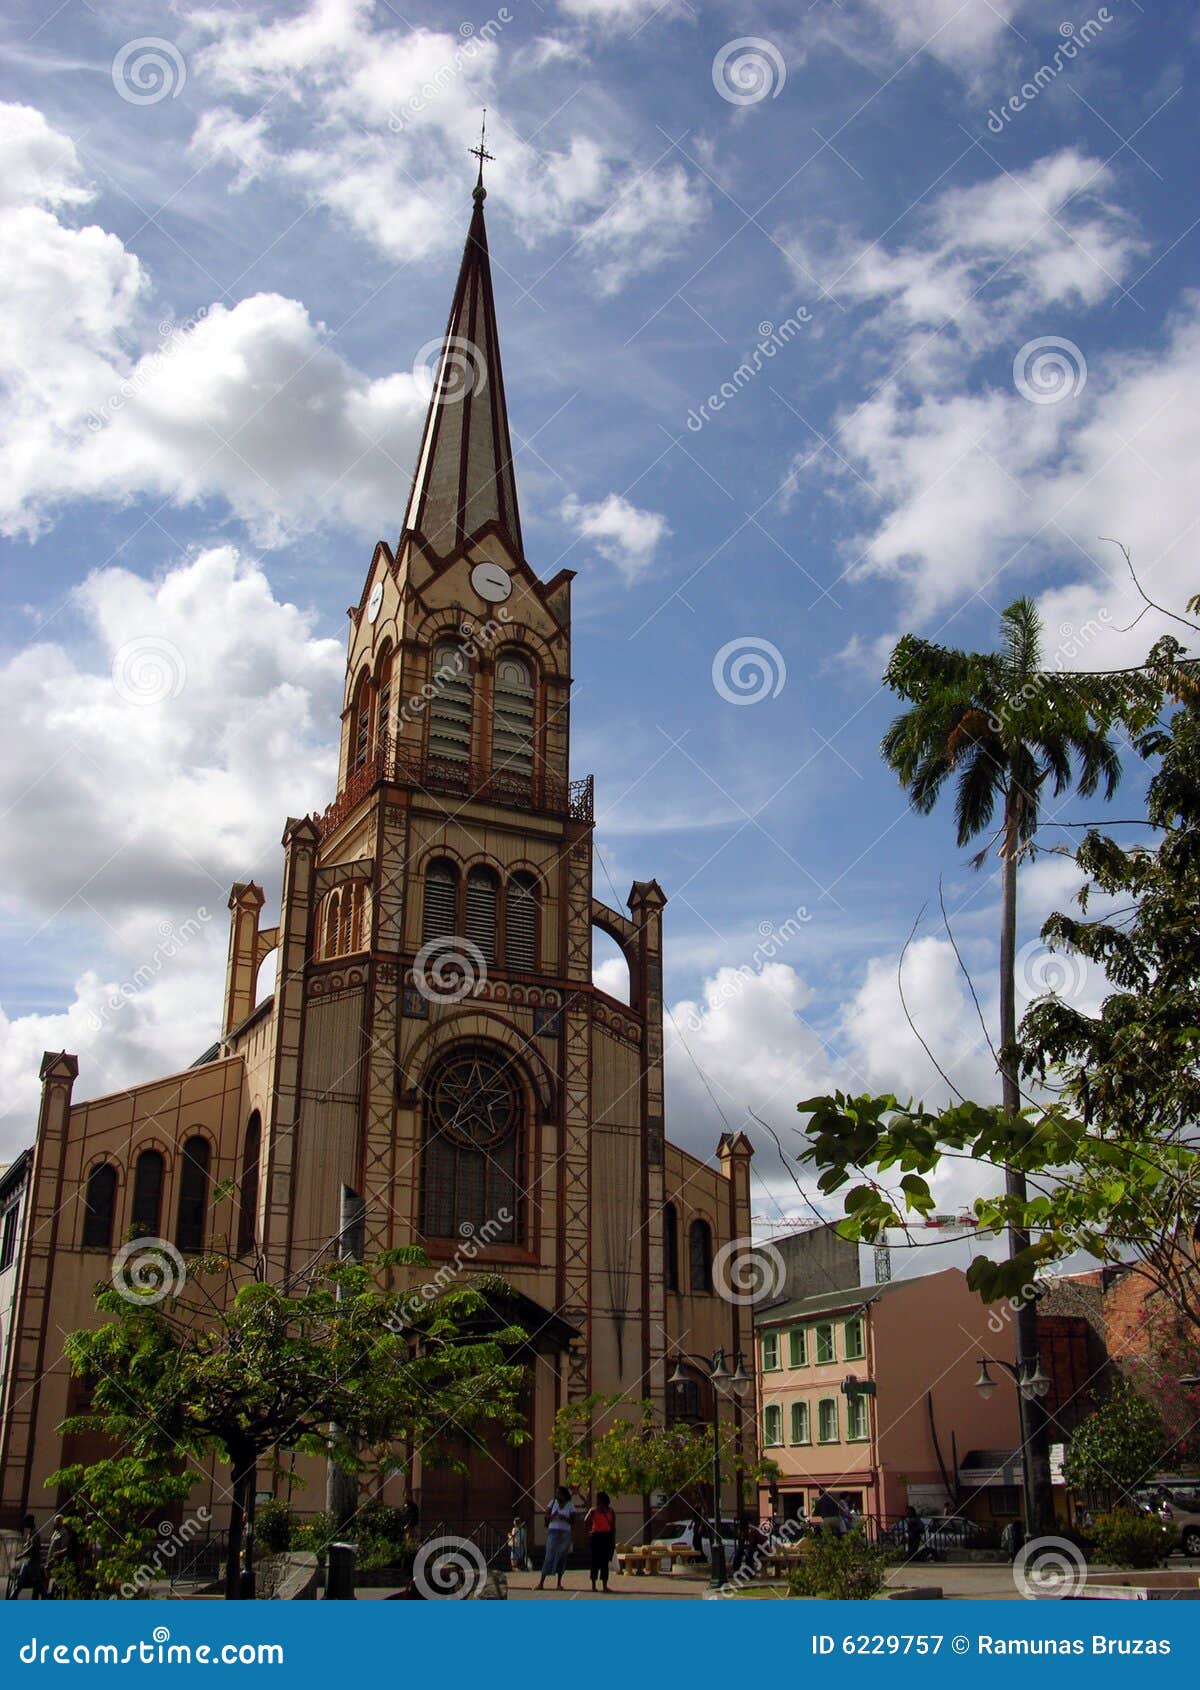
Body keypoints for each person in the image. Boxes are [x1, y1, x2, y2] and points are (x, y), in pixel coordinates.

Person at [537, 1487, 575, 1591]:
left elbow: (573, 1520)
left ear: (564, 1494)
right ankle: (541, 1582)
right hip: (553, 1531)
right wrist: (552, 1516)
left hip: (565, 1532)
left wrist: (565, 1518)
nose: (557, 1495)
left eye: (559, 1493)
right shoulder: (552, 1503)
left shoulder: (570, 1505)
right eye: (556, 1493)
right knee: (549, 1555)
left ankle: (559, 1583)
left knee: (561, 1556)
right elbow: (546, 1517)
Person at [585, 1491, 616, 1592]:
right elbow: (586, 1520)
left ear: (603, 1500)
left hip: (606, 1537)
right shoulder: (593, 1510)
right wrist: (589, 1531)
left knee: (604, 1563)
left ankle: (604, 1585)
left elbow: (613, 1527)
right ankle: (593, 1585)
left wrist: (613, 1540)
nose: (597, 1501)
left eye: (599, 1499)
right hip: (596, 1537)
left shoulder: (611, 1511)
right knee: (594, 1561)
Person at [10, 1516, 47, 1600]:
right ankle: (13, 1597)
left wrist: (21, 1555)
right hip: (28, 1561)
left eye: (26, 1522)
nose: (25, 1524)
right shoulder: (31, 1533)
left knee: (37, 1581)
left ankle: (46, 1596)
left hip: (34, 1561)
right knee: (20, 1580)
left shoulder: (35, 1533)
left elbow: (33, 1548)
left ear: (30, 1522)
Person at [46, 1516, 80, 1597]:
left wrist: (56, 1556)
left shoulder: (65, 1534)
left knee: (59, 1582)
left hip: (59, 1561)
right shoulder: (56, 1532)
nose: (56, 1524)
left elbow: (65, 1548)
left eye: (58, 1522)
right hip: (52, 1559)